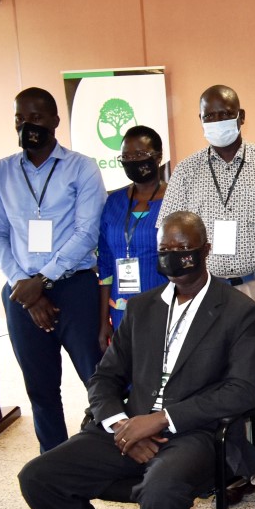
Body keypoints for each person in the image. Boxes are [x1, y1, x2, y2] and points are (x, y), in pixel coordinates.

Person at [18, 211, 255, 509]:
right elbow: (105, 378)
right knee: (39, 477)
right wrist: (123, 428)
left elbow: (242, 392)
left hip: (197, 434)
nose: (174, 258)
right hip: (130, 428)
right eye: (166, 251)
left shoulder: (240, 311)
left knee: (161, 488)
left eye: (183, 249)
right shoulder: (142, 307)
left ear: (205, 250)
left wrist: (161, 420)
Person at [158, 84, 255, 509]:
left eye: (225, 113)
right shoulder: (186, 171)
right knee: (215, 383)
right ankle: (232, 467)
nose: (218, 122)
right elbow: (167, 230)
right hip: (207, 290)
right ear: (200, 121)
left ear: (241, 114)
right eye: (209, 116)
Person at [0, 87, 107, 453]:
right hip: (21, 292)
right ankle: (53, 463)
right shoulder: (0, 172)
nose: (28, 126)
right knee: (40, 387)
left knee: (98, 381)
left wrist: (43, 280)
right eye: (21, 119)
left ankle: (108, 458)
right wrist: (23, 284)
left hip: (75, 288)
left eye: (36, 118)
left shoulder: (82, 168)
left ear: (55, 121)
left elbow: (87, 233)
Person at [97, 125, 169, 348]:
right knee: (128, 376)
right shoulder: (114, 202)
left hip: (164, 308)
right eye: (126, 156)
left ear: (158, 157)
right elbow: (105, 265)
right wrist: (103, 321)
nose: (133, 161)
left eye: (140, 154)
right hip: (121, 311)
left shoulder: (175, 201)